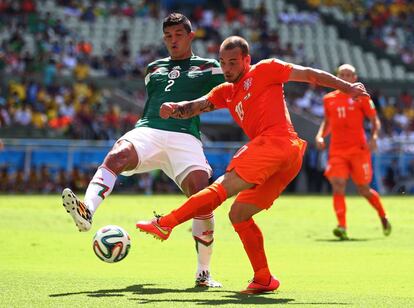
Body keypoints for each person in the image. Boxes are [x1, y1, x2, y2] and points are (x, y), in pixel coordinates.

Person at [136, 36, 369, 293]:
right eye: (223, 63)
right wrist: (175, 107)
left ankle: (166, 223)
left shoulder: (266, 68)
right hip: (286, 157)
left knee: (223, 186)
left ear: (247, 60)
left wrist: (345, 87)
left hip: (276, 142)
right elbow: (196, 106)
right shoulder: (226, 91)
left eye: (233, 62)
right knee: (239, 214)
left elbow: (310, 74)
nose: (227, 68)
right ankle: (264, 278)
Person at [61, 13, 224, 288]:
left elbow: (232, 86)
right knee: (117, 156)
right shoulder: (153, 69)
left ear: (191, 36)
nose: (173, 41)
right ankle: (87, 210)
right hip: (148, 130)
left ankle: (203, 273)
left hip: (185, 136)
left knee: (202, 197)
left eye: (178, 35)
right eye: (168, 36)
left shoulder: (210, 67)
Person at [315, 64, 391, 240]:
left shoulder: (362, 98)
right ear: (337, 77)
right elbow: (328, 122)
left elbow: (374, 120)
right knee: (338, 184)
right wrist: (320, 136)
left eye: (348, 75)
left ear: (354, 78)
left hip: (358, 150)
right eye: (342, 74)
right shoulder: (329, 99)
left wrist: (374, 137)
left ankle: (382, 215)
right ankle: (342, 226)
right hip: (337, 151)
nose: (345, 77)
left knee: (364, 189)